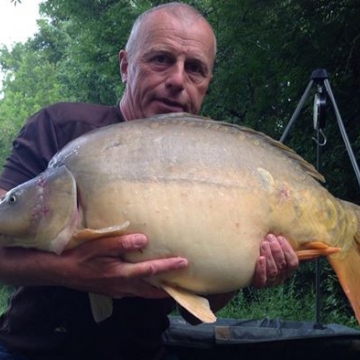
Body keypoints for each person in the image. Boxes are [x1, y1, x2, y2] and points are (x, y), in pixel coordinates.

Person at [0, 2, 299, 360]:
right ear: (126, 66)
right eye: (160, 59)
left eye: (195, 69)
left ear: (207, 83)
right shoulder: (59, 129)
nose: (177, 80)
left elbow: (195, 312)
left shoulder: (220, 163)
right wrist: (72, 272)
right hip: (32, 349)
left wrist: (251, 271)